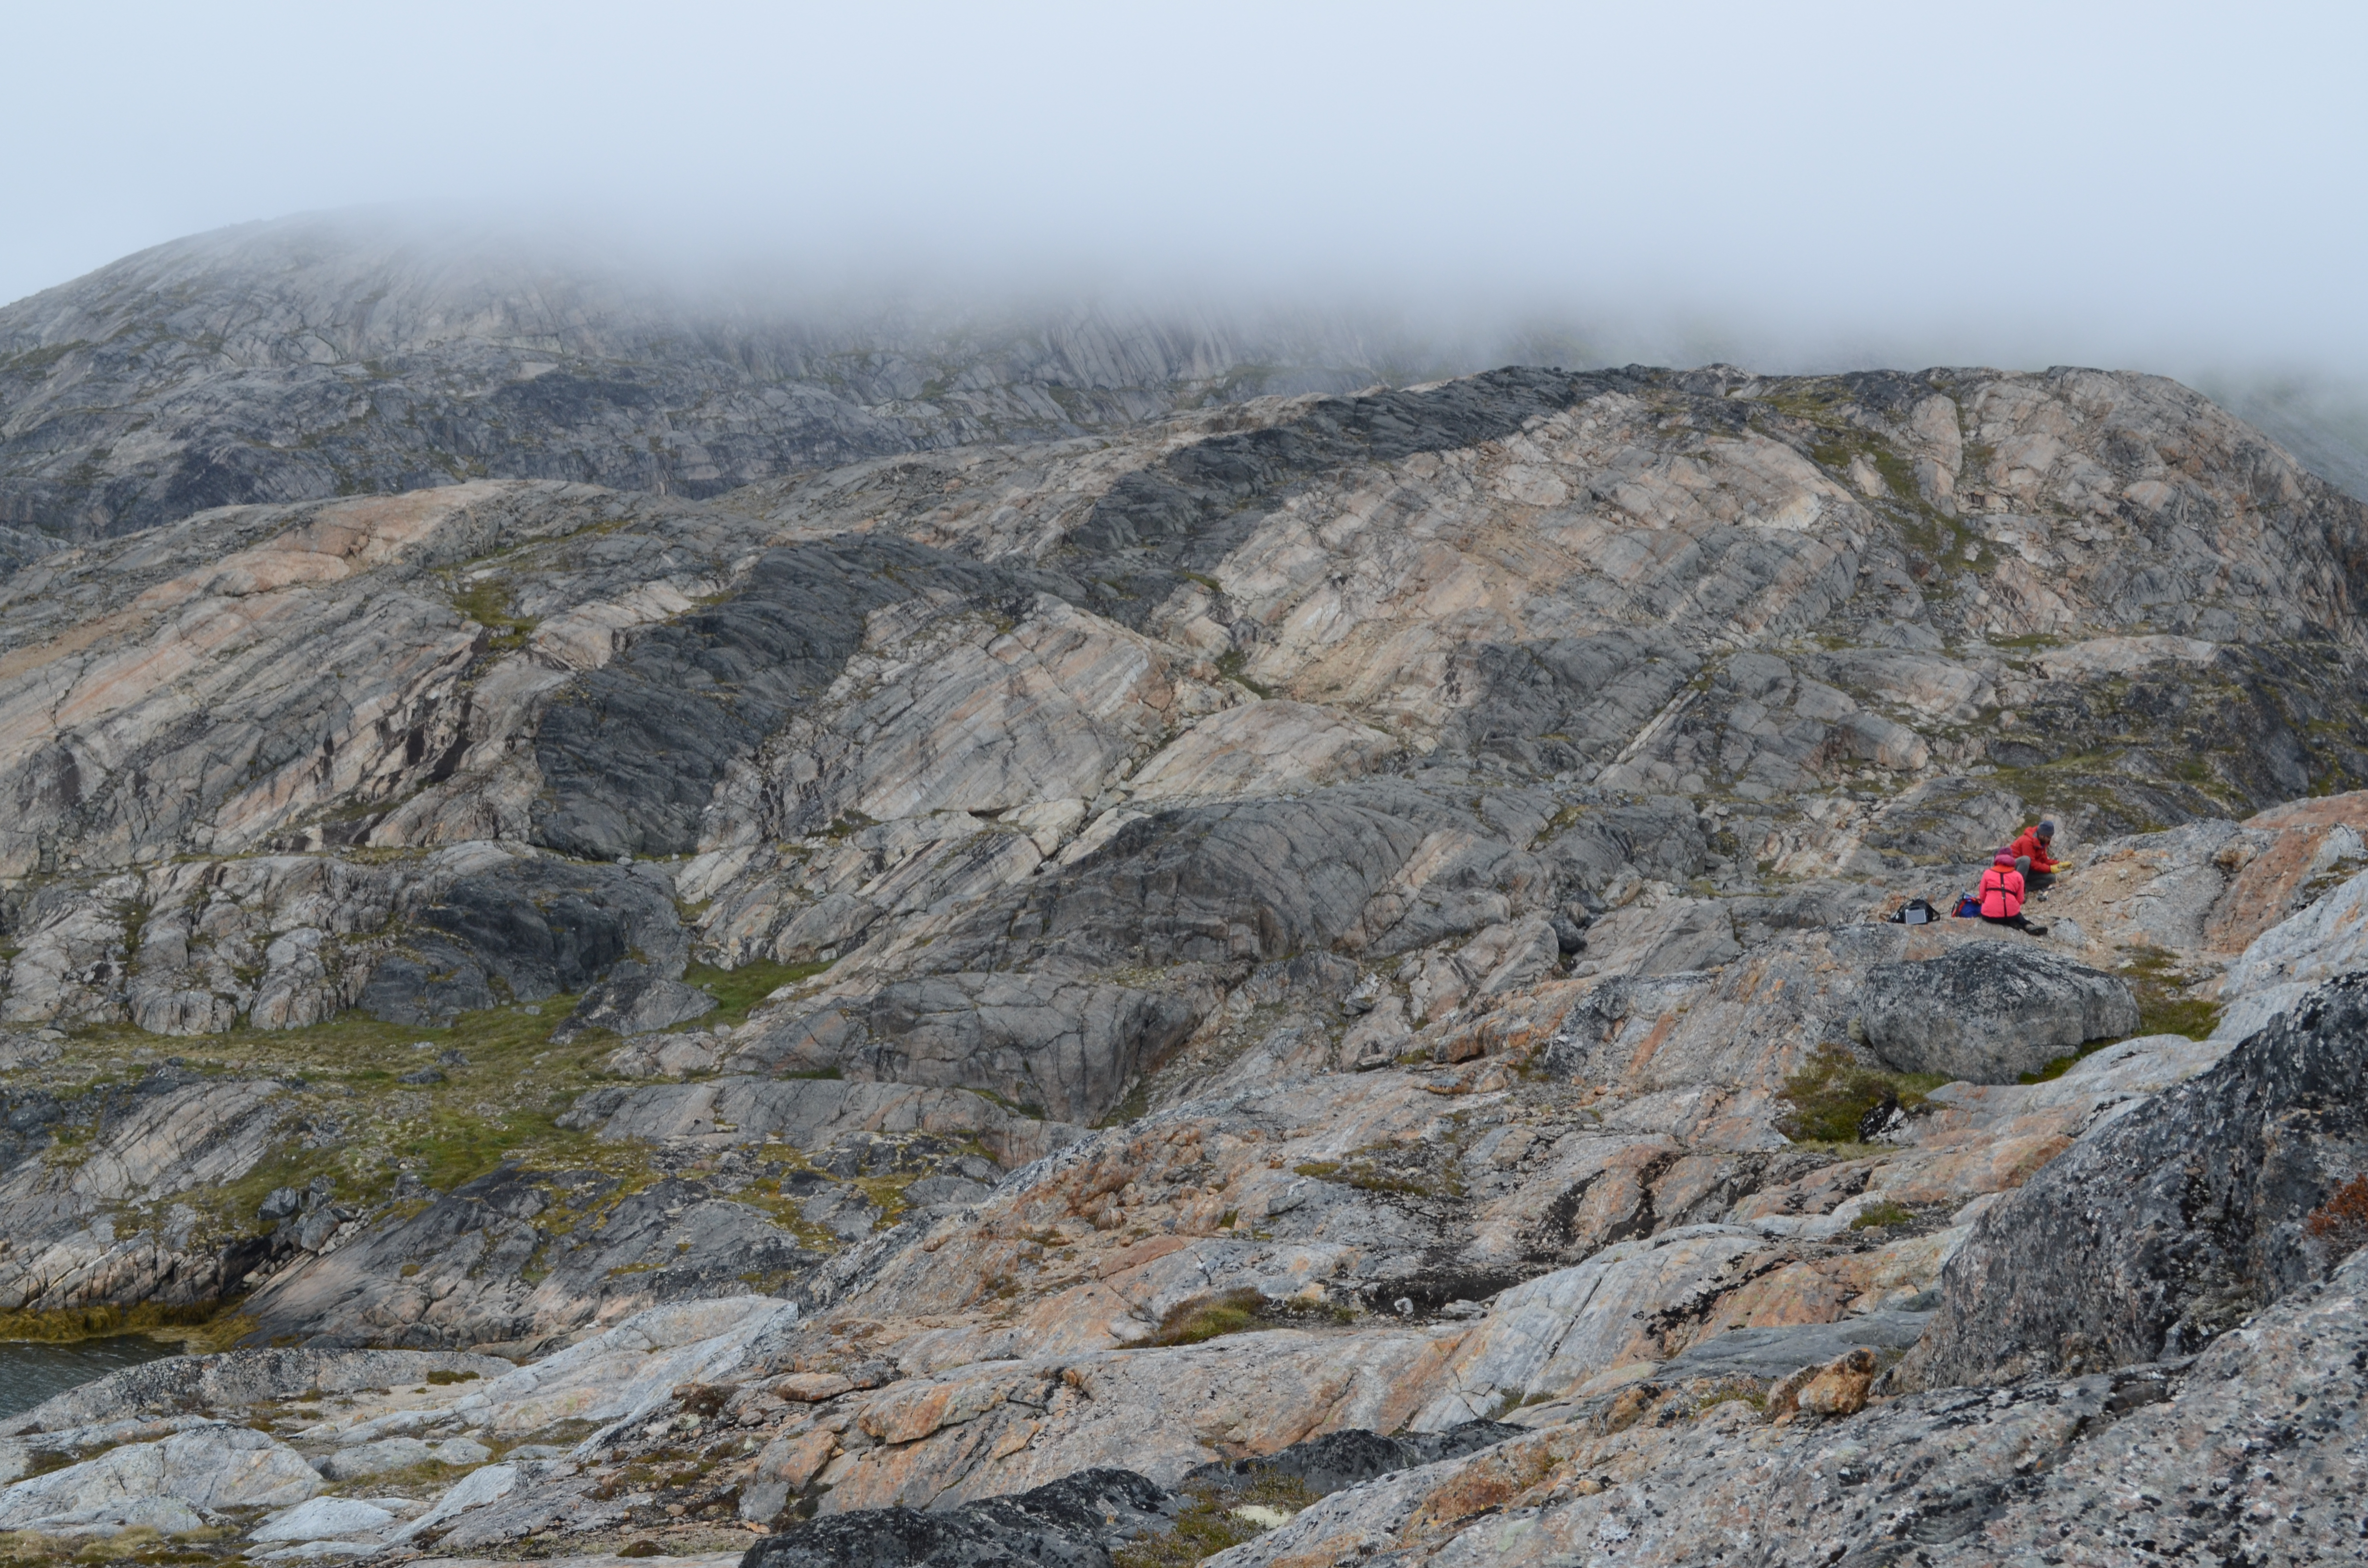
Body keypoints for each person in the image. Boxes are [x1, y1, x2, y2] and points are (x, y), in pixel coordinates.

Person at [1977, 850, 2047, 934]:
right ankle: (2026, 925)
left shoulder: (1987, 873)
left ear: (1997, 860)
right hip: (2011, 915)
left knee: (1986, 910)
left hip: (1990, 917)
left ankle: (2010, 922)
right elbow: (2020, 900)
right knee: (2016, 914)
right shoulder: (2018, 876)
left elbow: (1982, 897)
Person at [2007, 821, 2065, 897]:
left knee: (2051, 878)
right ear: (2042, 835)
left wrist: (2059, 864)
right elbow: (2032, 863)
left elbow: (2043, 860)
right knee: (2026, 860)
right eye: (2048, 837)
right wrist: (2050, 869)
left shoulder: (2041, 842)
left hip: (2027, 871)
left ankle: (2026, 887)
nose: (2049, 840)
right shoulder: (2027, 841)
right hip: (2013, 870)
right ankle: (2017, 889)